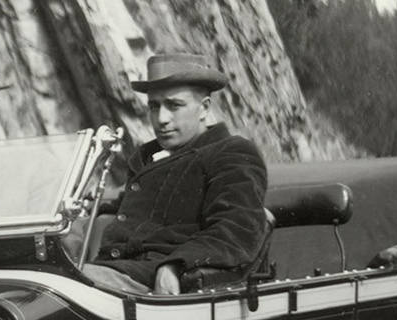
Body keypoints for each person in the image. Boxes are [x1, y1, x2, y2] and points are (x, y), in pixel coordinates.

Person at [86, 51, 269, 295]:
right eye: (154, 106)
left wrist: (174, 265)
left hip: (150, 279)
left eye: (174, 105)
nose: (161, 119)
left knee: (63, 287)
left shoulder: (232, 152)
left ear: (204, 108)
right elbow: (133, 207)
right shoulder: (150, 159)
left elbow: (236, 229)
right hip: (113, 272)